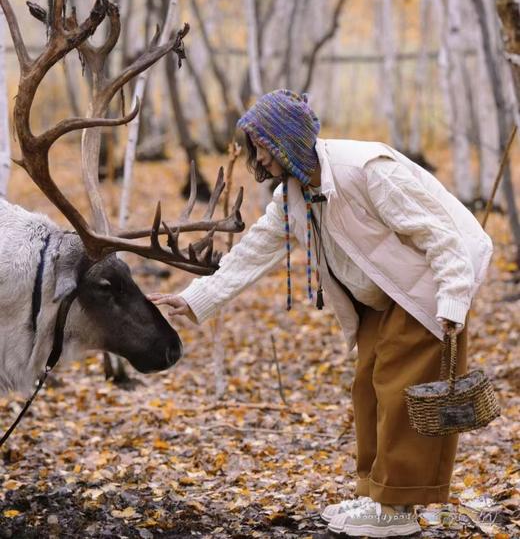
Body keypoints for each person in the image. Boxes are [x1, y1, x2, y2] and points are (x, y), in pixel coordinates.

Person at [148, 89, 493, 537]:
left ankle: (399, 510)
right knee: (368, 385)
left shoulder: (365, 171)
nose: (259, 160)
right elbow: (254, 251)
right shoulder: (293, 194)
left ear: (289, 141)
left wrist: (453, 297)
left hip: (430, 284)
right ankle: (376, 496)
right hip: (382, 294)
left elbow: (439, 233)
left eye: (263, 148)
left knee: (398, 386)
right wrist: (196, 299)